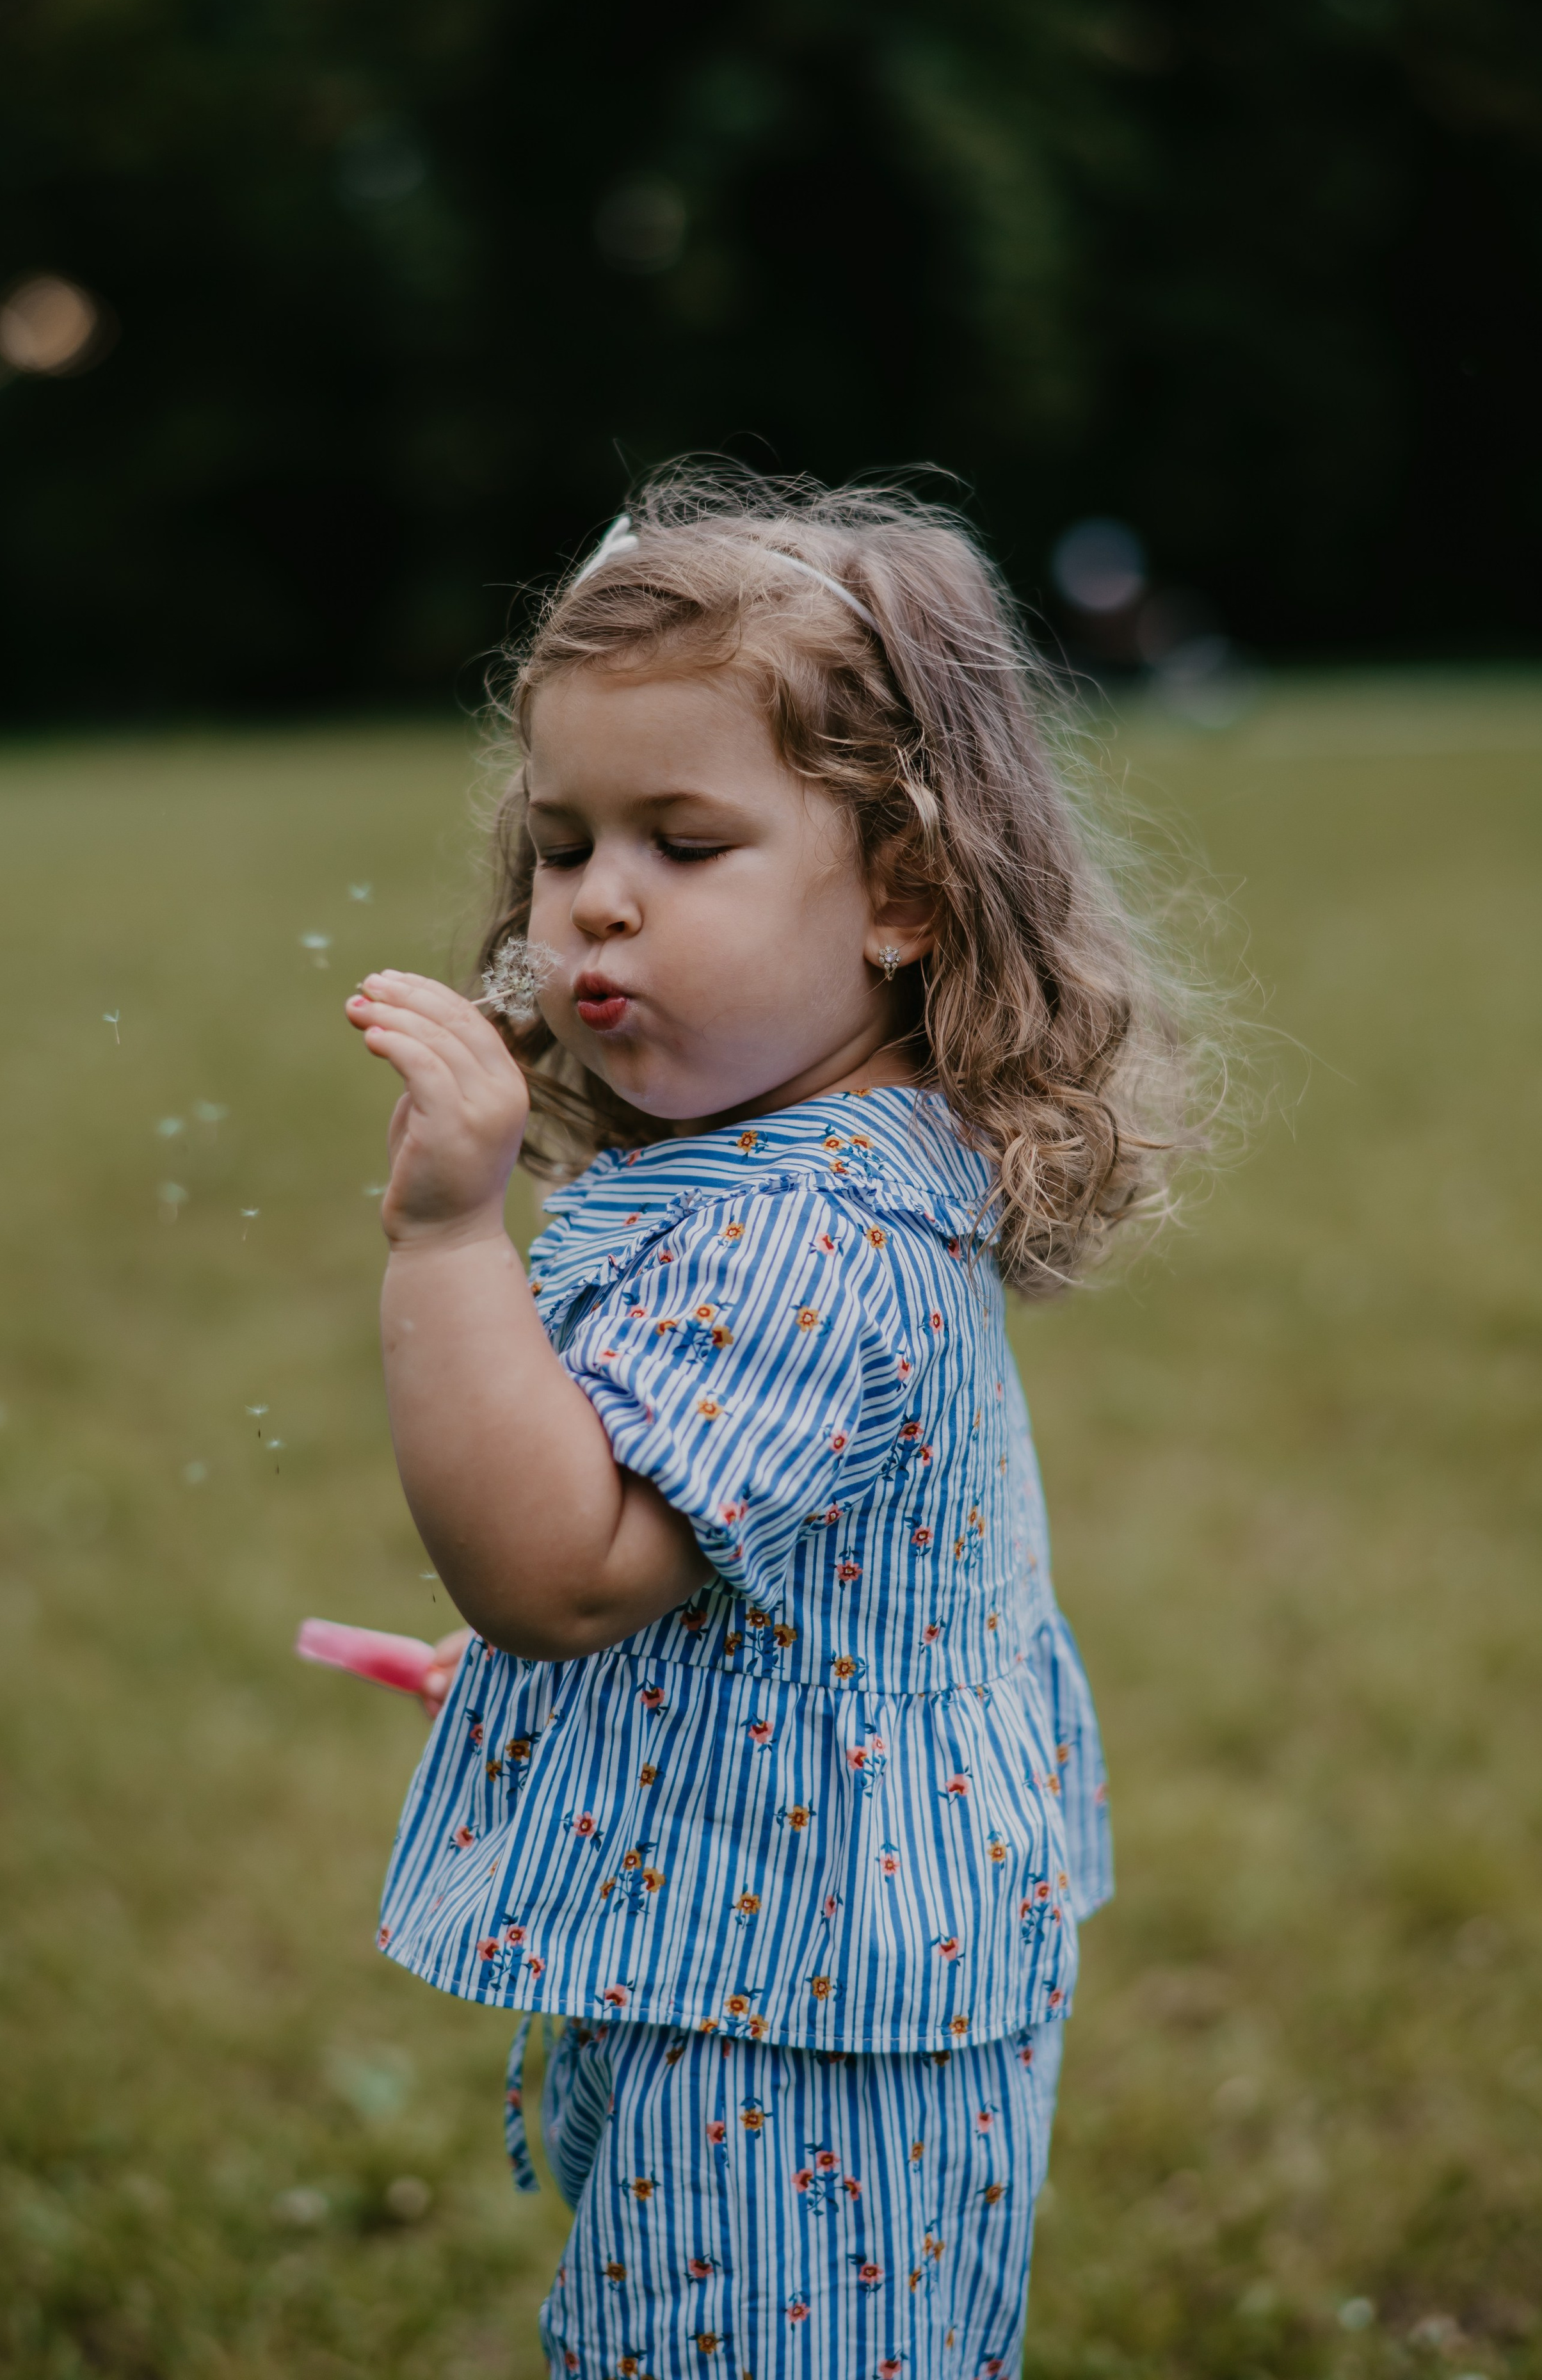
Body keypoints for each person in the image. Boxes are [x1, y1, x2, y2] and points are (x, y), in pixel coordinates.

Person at [343, 473, 1200, 2378]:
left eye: (685, 839)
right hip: (775, 1957)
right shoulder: (797, 1158)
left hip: (803, 2033)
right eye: (562, 842)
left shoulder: (803, 1235)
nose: (598, 898)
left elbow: (557, 1575)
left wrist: (448, 1230)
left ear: (902, 888)